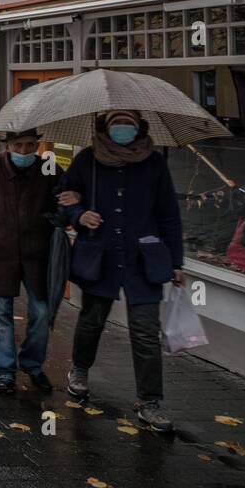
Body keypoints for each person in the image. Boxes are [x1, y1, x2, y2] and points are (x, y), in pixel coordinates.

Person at [57, 109, 183, 432]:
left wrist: (176, 262)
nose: (122, 129)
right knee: (92, 319)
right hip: (101, 255)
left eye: (128, 124)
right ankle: (80, 369)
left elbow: (169, 214)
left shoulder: (154, 163)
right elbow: (65, 199)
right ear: (105, 128)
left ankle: (151, 402)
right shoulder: (87, 159)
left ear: (139, 128)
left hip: (144, 258)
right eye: (116, 124)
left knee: (144, 331)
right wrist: (80, 215)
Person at [0, 129, 61, 394]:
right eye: (19, 146)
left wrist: (68, 208)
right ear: (7, 145)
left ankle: (32, 364)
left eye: (30, 146)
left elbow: (63, 202)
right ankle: (5, 372)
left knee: (41, 313)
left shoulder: (49, 168)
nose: (25, 152)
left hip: (38, 255)